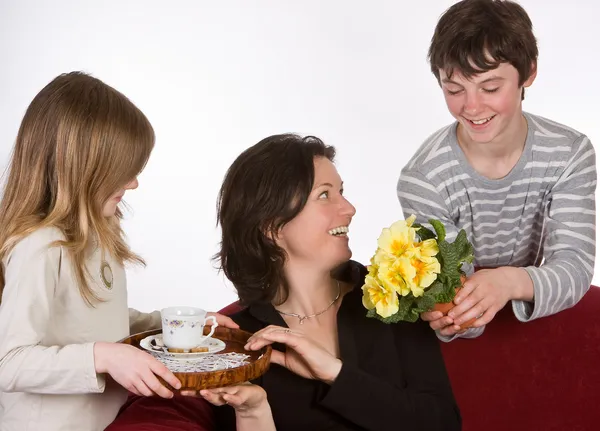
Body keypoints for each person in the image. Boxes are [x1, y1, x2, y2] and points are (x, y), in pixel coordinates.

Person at [0, 72, 236, 431]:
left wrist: (168, 324)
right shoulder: (41, 245)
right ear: (81, 166)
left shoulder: (96, 234)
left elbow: (89, 320)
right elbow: (9, 362)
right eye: (122, 170)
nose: (133, 183)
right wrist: (103, 357)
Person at [201, 133, 461, 431]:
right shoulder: (239, 341)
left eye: (341, 191)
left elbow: (443, 424)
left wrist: (335, 374)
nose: (349, 208)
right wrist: (254, 412)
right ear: (272, 226)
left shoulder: (392, 295)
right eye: (324, 195)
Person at [398, 0, 596, 341]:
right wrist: (454, 314)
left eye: (490, 88)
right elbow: (461, 309)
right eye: (454, 89)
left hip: (540, 318)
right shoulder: (424, 178)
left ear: (528, 73)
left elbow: (575, 268)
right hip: (457, 355)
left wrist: (508, 282)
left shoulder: (569, 154)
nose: (472, 107)